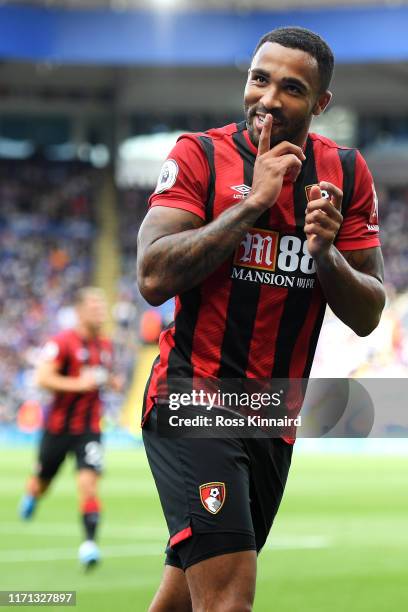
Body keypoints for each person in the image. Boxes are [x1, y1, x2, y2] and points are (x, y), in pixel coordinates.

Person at [137, 27, 385, 611]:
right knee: (229, 601)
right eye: (259, 79)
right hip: (192, 398)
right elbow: (151, 276)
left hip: (272, 414)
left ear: (320, 103)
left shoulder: (346, 175)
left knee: (182, 597)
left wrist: (325, 255)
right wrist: (251, 203)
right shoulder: (198, 154)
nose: (269, 98)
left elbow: (369, 312)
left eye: (292, 88)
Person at [20, 287, 122, 570]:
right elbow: (42, 377)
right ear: (79, 311)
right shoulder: (62, 342)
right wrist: (78, 383)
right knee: (42, 482)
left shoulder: (106, 346)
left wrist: (112, 382)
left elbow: (109, 377)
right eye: (94, 306)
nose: (100, 311)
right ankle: (32, 493)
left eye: (103, 306)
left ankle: (89, 544)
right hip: (57, 429)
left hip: (90, 428)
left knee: (88, 485)